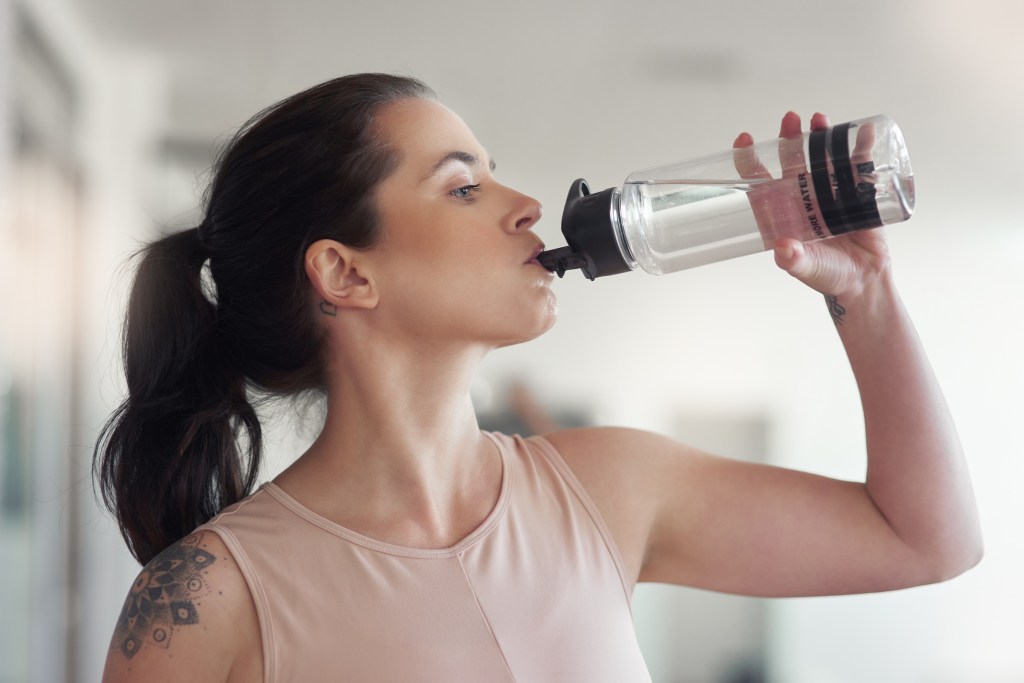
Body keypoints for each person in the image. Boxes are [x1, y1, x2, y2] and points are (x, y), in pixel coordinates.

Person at [94, 73, 982, 682]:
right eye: (462, 187)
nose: (525, 205)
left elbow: (926, 540)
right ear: (346, 273)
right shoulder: (206, 599)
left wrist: (867, 296)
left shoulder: (608, 488)